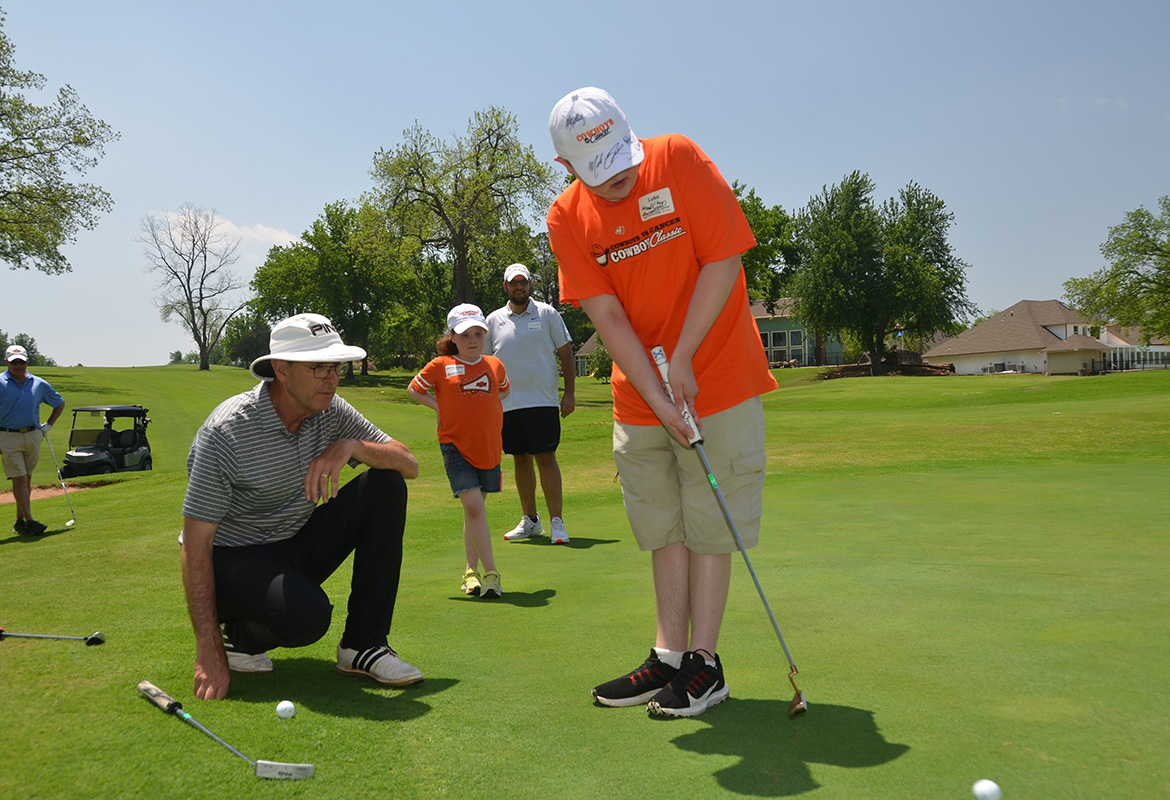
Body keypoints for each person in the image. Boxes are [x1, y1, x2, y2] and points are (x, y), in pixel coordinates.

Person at [546, 87, 779, 718]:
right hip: (639, 393)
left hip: (719, 375)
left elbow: (723, 259)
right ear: (568, 166)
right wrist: (654, 391)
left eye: (622, 159)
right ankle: (669, 658)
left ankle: (706, 663)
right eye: (599, 172)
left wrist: (681, 361)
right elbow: (608, 316)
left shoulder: (677, 159)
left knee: (709, 520)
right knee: (661, 524)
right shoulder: (566, 217)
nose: (619, 177)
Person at [181, 313, 422, 700]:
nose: (332, 378)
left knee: (385, 482)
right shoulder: (226, 431)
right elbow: (195, 545)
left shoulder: (332, 410)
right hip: (233, 561)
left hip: (294, 543)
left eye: (335, 367)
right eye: (318, 367)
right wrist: (206, 649)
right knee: (307, 617)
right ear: (281, 370)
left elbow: (408, 463)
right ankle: (236, 637)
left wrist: (352, 447)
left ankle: (363, 645)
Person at [408, 304, 511, 599]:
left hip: (489, 446)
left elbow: (504, 390)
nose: (473, 339)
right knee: (475, 507)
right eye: (465, 335)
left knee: (473, 510)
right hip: (455, 446)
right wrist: (439, 407)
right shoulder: (439, 366)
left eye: (479, 333)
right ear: (453, 336)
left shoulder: (494, 365)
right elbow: (415, 389)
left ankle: (470, 572)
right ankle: (491, 574)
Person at [485, 263, 576, 545]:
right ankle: (531, 520)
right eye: (514, 283)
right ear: (506, 287)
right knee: (520, 458)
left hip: (543, 400)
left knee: (546, 457)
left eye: (523, 282)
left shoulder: (547, 313)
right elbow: (487, 365)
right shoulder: (493, 320)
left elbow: (566, 353)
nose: (519, 287)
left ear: (530, 286)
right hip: (508, 404)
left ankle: (557, 523)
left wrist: (569, 393)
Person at [1, 345, 65, 536]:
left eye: (21, 362)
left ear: (27, 362)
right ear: (6, 362)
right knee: (19, 478)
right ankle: (30, 521)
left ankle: (19, 522)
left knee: (27, 478)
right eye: (14, 362)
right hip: (7, 435)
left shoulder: (39, 384)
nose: (18, 366)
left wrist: (49, 425)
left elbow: (59, 403)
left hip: (33, 435)